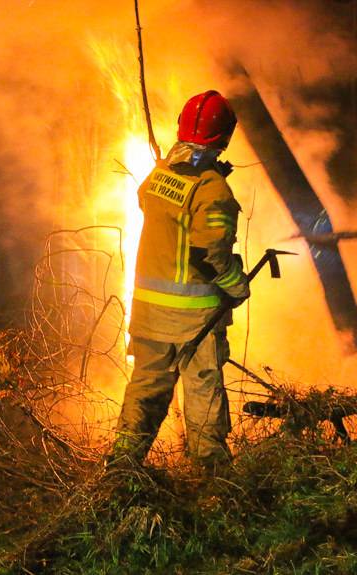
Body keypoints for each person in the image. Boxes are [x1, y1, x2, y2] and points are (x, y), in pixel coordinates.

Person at [110, 90, 250, 468]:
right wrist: (237, 285)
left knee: (146, 388)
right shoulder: (213, 191)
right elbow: (211, 253)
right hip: (194, 321)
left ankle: (121, 468)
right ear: (225, 136)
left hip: (149, 315)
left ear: (181, 127)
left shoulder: (158, 176)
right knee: (203, 390)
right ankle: (211, 476)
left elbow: (153, 204)